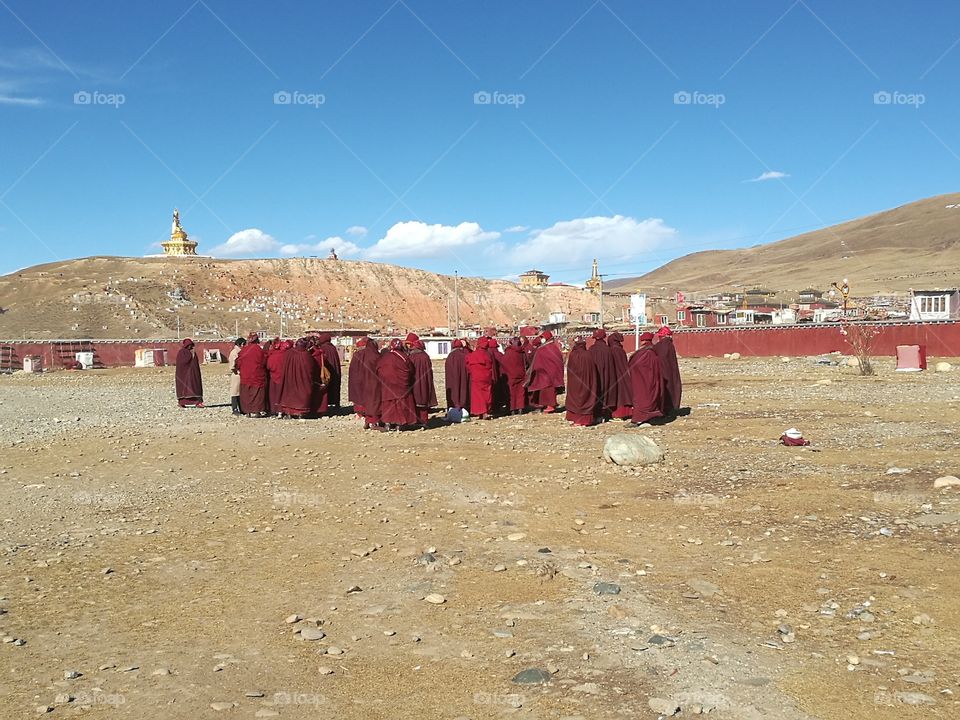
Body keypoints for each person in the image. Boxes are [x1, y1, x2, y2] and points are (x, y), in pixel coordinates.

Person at [376, 339, 417, 430]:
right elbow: (410, 370)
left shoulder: (386, 357)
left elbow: (379, 369)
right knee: (402, 404)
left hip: (388, 385)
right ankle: (400, 424)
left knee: (388, 404)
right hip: (402, 386)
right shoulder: (404, 357)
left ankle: (388, 423)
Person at [279, 338, 321, 418]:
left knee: (290, 394)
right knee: (302, 393)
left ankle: (289, 412)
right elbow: (311, 368)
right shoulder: (306, 355)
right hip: (303, 380)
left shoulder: (289, 353)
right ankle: (300, 412)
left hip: (290, 379)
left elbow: (283, 366)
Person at [628, 332, 664, 425]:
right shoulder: (653, 351)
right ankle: (652, 417)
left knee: (642, 398)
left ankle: (639, 418)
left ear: (644, 341)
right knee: (651, 397)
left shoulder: (646, 353)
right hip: (651, 380)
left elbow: (637, 365)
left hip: (642, 381)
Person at [526, 331, 564, 413]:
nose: (542, 339)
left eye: (543, 338)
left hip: (548, 373)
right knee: (544, 390)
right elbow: (535, 344)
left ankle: (551, 405)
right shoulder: (547, 347)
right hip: (544, 373)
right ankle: (547, 405)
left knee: (549, 390)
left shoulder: (549, 348)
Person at [349, 337, 382, 429]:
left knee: (361, 395)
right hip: (373, 381)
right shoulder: (376, 355)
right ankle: (372, 419)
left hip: (359, 380)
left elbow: (353, 369)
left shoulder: (357, 354)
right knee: (373, 399)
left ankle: (361, 414)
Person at [565, 337, 599, 426]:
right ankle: (585, 420)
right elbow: (593, 371)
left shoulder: (573, 355)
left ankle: (576, 419)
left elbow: (569, 370)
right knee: (586, 398)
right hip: (587, 382)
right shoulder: (588, 355)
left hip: (574, 383)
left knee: (575, 398)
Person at [405, 334, 437, 429]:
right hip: (425, 381)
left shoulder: (411, 357)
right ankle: (424, 421)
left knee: (416, 401)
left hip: (414, 382)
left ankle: (416, 421)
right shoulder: (425, 356)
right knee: (424, 400)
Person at [588, 329, 618, 421]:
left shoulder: (591, 349)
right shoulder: (608, 350)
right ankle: (606, 414)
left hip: (596, 376)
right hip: (607, 376)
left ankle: (597, 415)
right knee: (607, 393)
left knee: (596, 393)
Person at [236, 333, 268, 417]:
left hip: (245, 375)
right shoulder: (259, 350)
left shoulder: (244, 350)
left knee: (246, 393)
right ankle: (257, 411)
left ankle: (248, 412)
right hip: (257, 375)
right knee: (257, 394)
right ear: (257, 340)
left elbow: (238, 362)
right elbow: (264, 362)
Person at [653, 326, 682, 414]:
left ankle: (665, 407)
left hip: (663, 372)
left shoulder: (661, 345)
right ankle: (673, 406)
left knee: (665, 389)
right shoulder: (669, 344)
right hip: (672, 371)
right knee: (673, 386)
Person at [465, 337, 496, 419]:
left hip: (476, 378)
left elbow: (468, 366)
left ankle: (481, 412)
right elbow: (491, 366)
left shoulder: (473, 355)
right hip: (487, 378)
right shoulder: (488, 354)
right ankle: (485, 411)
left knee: (478, 396)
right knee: (486, 394)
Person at [607, 332, 633, 420]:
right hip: (623, 373)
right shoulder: (620, 349)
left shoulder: (614, 350)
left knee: (620, 394)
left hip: (616, 374)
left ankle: (619, 413)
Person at [315, 333, 342, 412]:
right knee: (335, 386)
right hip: (334, 370)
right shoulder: (332, 348)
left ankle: (326, 404)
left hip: (327, 371)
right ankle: (335, 403)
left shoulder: (323, 348)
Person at [500, 337, 528, 414]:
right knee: (520, 392)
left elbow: (503, 363)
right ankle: (520, 408)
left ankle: (513, 408)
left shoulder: (508, 352)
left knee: (512, 392)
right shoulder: (522, 352)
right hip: (521, 374)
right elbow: (525, 362)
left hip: (510, 375)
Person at [174, 338, 204, 408]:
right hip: (183, 375)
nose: (191, 346)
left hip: (193, 373)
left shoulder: (193, 352)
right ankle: (182, 402)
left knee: (194, 386)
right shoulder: (182, 352)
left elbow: (195, 363)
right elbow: (180, 363)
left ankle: (197, 402)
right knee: (183, 388)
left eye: (191, 345)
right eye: (189, 345)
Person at [444, 338, 470, 411]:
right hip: (464, 378)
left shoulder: (450, 356)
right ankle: (464, 406)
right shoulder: (465, 355)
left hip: (452, 379)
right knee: (463, 389)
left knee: (454, 391)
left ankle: (454, 407)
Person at [266, 339, 289, 416]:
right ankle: (282, 411)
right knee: (282, 394)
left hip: (273, 377)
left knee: (274, 394)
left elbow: (269, 366)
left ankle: (274, 410)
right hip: (283, 378)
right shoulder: (285, 355)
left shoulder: (272, 355)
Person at [227, 337, 246, 415]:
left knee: (240, 392)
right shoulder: (234, 352)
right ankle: (234, 408)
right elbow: (233, 365)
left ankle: (241, 408)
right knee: (234, 392)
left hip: (240, 374)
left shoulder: (239, 352)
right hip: (236, 374)